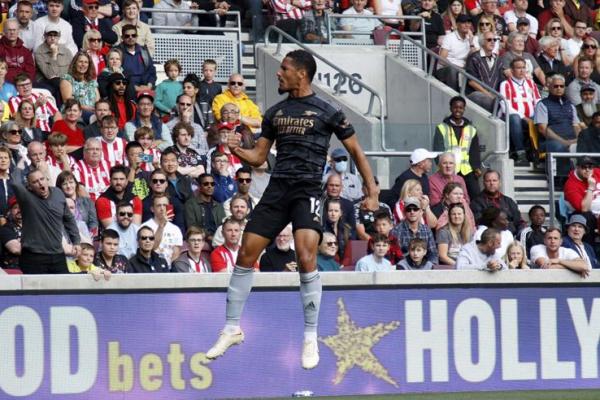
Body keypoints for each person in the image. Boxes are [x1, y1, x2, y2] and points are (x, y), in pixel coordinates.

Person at [206, 50, 378, 370]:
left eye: (284, 69)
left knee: (305, 254)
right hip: (277, 188)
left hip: (307, 190)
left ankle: (310, 335)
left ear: (302, 74)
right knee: (246, 252)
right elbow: (259, 157)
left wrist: (372, 188)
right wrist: (235, 149)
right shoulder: (274, 112)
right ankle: (231, 328)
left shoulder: (328, 111)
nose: (278, 74)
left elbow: (355, 149)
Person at [12, 169, 80, 274]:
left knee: (63, 288)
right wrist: (20, 165)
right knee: (35, 290)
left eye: (42, 179)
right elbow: (15, 183)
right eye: (35, 182)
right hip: (34, 256)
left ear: (47, 180)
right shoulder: (26, 197)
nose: (40, 183)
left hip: (57, 254)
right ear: (29, 187)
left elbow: (69, 219)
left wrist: (76, 241)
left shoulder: (58, 193)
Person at [433, 96, 482, 196]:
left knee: (475, 195)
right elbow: (438, 150)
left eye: (461, 108)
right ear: (451, 108)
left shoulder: (471, 128)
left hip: (467, 170)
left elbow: (474, 150)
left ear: (464, 109)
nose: (458, 110)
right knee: (450, 195)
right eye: (455, 107)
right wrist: (442, 167)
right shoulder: (441, 127)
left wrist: (476, 167)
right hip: (449, 170)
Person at [535, 74, 580, 177]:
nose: (559, 88)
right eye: (556, 86)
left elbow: (576, 126)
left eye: (561, 86)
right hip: (550, 142)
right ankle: (561, 179)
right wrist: (564, 142)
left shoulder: (570, 105)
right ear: (550, 87)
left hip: (571, 140)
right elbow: (543, 129)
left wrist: (578, 139)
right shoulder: (542, 104)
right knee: (559, 147)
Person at [499, 57, 541, 163]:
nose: (522, 70)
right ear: (512, 70)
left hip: (531, 117)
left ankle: (538, 153)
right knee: (515, 118)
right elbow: (506, 106)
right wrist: (524, 117)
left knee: (542, 118)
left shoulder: (531, 83)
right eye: (518, 68)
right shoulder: (505, 84)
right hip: (513, 118)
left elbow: (538, 101)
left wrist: (538, 115)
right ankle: (520, 153)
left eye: (523, 67)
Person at [471, 169, 523, 235]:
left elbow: (518, 221)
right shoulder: (476, 202)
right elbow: (479, 222)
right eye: (488, 181)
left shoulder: (508, 201)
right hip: (488, 236)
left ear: (499, 183)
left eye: (494, 180)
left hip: (511, 236)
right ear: (484, 183)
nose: (491, 183)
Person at [465, 31, 504, 112]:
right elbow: (472, 82)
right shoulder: (474, 57)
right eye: (489, 40)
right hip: (476, 93)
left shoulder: (498, 59)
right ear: (482, 42)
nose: (493, 42)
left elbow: (501, 81)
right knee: (488, 101)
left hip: (494, 95)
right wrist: (489, 95)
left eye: (494, 40)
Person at [437, 14, 478, 90]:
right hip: (446, 69)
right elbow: (442, 60)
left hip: (463, 70)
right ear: (457, 24)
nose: (466, 25)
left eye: (469, 23)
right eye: (463, 22)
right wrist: (458, 68)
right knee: (453, 70)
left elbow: (475, 58)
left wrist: (471, 43)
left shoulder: (472, 38)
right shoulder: (449, 37)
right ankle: (453, 95)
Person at [392, 197, 439, 264]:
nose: (412, 212)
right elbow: (395, 255)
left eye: (415, 209)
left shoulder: (426, 230)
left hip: (424, 268)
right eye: (408, 209)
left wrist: (430, 268)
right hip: (404, 269)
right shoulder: (396, 231)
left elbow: (433, 253)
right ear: (404, 212)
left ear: (420, 212)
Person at [141, 193, 183, 265]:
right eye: (158, 205)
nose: (162, 208)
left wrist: (168, 268)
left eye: (165, 205)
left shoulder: (175, 229)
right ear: (152, 209)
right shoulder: (144, 227)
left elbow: (176, 253)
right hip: (150, 267)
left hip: (169, 269)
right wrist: (161, 226)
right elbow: (150, 249)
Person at [34, 24, 73, 101]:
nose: (52, 38)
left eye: (55, 35)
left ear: (59, 37)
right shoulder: (39, 51)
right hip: (47, 82)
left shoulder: (66, 51)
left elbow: (72, 70)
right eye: (50, 35)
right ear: (45, 36)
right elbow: (50, 75)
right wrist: (54, 55)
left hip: (66, 82)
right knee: (57, 83)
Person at [184, 173, 226, 242]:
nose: (210, 186)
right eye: (206, 184)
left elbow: (223, 225)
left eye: (212, 184)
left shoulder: (218, 206)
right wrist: (209, 237)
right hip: (200, 239)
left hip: (218, 239)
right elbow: (192, 226)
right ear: (199, 186)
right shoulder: (191, 204)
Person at [59, 52, 99, 121]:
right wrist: (87, 108)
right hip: (74, 111)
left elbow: (98, 101)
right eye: (80, 61)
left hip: (93, 111)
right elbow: (68, 101)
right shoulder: (67, 78)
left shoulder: (92, 82)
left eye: (86, 62)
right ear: (75, 64)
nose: (83, 64)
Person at [116, 25, 156, 92]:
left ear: (137, 36)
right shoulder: (117, 52)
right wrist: (135, 88)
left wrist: (149, 86)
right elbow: (117, 74)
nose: (130, 38)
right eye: (127, 36)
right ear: (122, 37)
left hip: (146, 88)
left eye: (133, 35)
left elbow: (151, 71)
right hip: (126, 90)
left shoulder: (144, 51)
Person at [0, 19, 35, 83]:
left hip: (21, 83)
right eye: (9, 30)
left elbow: (30, 72)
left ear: (18, 31)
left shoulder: (26, 51)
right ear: (4, 31)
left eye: (14, 30)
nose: (12, 32)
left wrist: (23, 83)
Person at [323, 198, 354, 266]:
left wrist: (342, 265)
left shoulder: (347, 229)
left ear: (340, 213)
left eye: (336, 211)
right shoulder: (322, 229)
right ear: (326, 212)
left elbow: (348, 256)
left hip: (342, 266)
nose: (333, 214)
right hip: (326, 264)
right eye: (330, 210)